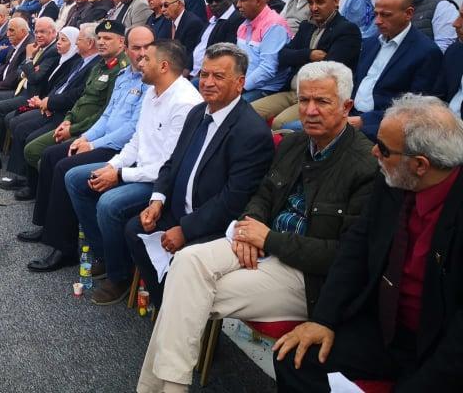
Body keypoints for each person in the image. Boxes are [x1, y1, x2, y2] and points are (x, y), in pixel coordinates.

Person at [137, 61, 378, 393]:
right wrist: (252, 226)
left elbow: (345, 256)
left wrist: (269, 239)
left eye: (322, 101)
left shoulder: (365, 166)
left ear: (346, 107)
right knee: (186, 263)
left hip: (306, 276)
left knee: (185, 292)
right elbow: (262, 194)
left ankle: (160, 389)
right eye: (304, 100)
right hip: (260, 244)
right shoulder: (294, 144)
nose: (310, 110)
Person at [273, 95, 463, 392]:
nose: (374, 151)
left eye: (383, 149)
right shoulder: (394, 178)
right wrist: (323, 320)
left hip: (441, 346)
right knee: (293, 357)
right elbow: (355, 248)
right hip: (385, 328)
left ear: (420, 165)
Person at [127, 43, 274, 309]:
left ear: (240, 83)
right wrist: (157, 200)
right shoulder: (198, 112)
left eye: (218, 76)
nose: (207, 82)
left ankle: (181, 311)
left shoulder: (251, 132)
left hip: (213, 225)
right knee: (134, 228)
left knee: (187, 259)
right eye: (204, 74)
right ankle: (166, 305)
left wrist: (186, 230)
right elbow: (172, 162)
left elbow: (233, 200)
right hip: (177, 211)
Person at [67, 40, 202, 304]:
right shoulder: (152, 92)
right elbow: (137, 141)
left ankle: (119, 276)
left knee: (109, 203)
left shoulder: (184, 103)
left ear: (163, 66)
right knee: (76, 178)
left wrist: (119, 175)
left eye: (146, 59)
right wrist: (113, 166)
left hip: (162, 183)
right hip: (139, 168)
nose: (139, 62)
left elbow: (167, 167)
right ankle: (106, 255)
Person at [19, 25, 153, 269]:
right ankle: (47, 227)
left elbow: (131, 129)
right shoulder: (124, 76)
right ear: (127, 48)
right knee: (50, 155)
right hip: (102, 137)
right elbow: (107, 115)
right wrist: (85, 137)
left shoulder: (149, 82)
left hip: (120, 148)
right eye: (137, 48)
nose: (142, 53)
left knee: (64, 167)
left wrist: (92, 143)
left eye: (147, 47)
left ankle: (65, 247)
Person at [18, 21, 128, 200]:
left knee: (47, 158)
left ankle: (49, 197)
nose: (101, 42)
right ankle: (43, 192)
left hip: (89, 129)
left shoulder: (119, 70)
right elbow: (82, 98)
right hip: (72, 120)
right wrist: (68, 119)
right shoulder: (99, 65)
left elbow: (105, 112)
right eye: (100, 37)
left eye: (107, 38)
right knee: (33, 149)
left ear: (122, 42)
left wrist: (74, 129)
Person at [252, 0, 361, 129]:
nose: (314, 8)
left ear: (336, 1)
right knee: (249, 111)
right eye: (310, 2)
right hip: (292, 91)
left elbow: (329, 70)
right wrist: (309, 55)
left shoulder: (346, 30)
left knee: (280, 123)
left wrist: (297, 57)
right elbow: (283, 55)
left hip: (318, 97)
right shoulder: (306, 26)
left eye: (320, 2)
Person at [0, 25, 88, 192]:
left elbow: (40, 79)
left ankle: (29, 182)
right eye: (59, 39)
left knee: (25, 130)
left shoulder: (73, 60)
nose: (58, 43)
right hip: (47, 102)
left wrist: (48, 103)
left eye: (64, 40)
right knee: (17, 122)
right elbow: (58, 86)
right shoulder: (67, 59)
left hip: (61, 111)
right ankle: (20, 174)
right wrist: (46, 102)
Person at [0, 17, 59, 171]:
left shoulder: (52, 51)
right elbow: (20, 70)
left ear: (54, 32)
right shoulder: (39, 46)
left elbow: (35, 77)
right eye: (37, 32)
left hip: (32, 95)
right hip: (21, 89)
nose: (38, 35)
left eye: (43, 32)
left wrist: (29, 60)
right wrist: (28, 69)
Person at [350, 0, 442, 140]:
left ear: (408, 13)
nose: (378, 21)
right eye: (376, 14)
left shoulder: (426, 52)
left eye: (386, 15)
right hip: (350, 115)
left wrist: (364, 121)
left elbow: (416, 108)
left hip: (383, 128)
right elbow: (357, 83)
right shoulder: (370, 43)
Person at [236, 0, 292, 101]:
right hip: (242, 84)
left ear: (258, 1)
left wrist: (239, 87)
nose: (238, 4)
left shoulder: (274, 25)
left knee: (231, 106)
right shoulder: (243, 25)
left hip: (266, 88)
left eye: (242, 0)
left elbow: (267, 69)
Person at [189, 0, 243, 78]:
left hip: (210, 74)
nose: (213, 4)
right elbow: (198, 47)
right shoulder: (211, 20)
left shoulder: (235, 19)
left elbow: (225, 53)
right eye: (210, 1)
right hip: (193, 71)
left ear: (229, 0)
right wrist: (187, 68)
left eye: (218, 0)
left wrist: (202, 74)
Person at [161, 0, 205, 71]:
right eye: (161, 6)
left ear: (178, 4)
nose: (162, 9)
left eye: (166, 5)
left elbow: (189, 55)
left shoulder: (193, 23)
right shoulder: (166, 22)